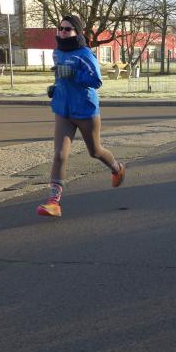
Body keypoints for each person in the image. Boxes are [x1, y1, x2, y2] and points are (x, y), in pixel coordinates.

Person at [37, 15, 125, 218]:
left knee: (95, 151)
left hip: (85, 110)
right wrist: (55, 88)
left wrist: (73, 74)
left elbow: (96, 81)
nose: (62, 32)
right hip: (63, 110)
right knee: (60, 155)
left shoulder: (85, 54)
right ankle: (54, 203)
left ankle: (117, 168)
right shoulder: (57, 52)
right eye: (60, 28)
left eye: (67, 29)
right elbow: (60, 77)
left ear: (77, 32)